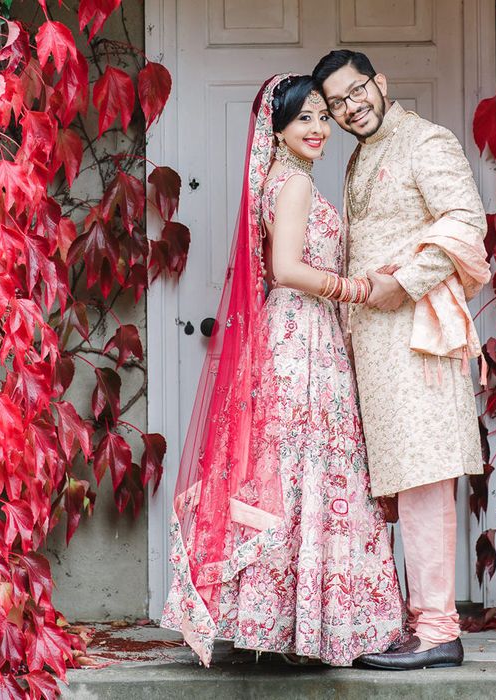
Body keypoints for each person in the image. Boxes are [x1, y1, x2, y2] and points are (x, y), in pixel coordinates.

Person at [161, 74, 403, 668]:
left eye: (324, 116)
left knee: (294, 467)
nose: (319, 128)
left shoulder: (280, 181)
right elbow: (288, 269)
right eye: (304, 119)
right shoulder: (292, 185)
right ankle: (310, 623)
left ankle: (287, 622)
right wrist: (355, 289)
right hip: (301, 333)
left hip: (299, 332)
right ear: (278, 130)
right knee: (309, 464)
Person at [313, 51, 491, 670]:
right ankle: (412, 622)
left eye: (356, 91)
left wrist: (407, 282)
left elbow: (467, 223)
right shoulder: (361, 155)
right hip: (375, 342)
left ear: (379, 83)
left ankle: (439, 630)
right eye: (337, 103)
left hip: (417, 335)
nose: (350, 106)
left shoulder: (426, 141)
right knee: (395, 481)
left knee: (423, 475)